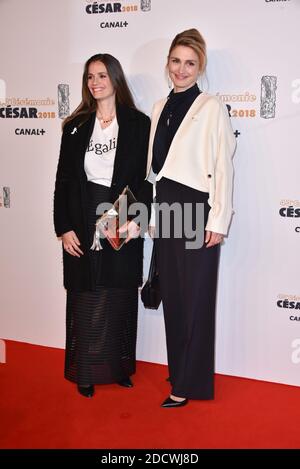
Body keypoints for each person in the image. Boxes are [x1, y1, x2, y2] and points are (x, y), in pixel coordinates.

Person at [146, 29, 236, 407]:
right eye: (176, 61)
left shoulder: (211, 106)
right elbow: (155, 169)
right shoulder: (158, 106)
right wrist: (151, 214)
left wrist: (219, 219)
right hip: (166, 205)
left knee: (197, 297)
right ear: (167, 62)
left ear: (200, 68)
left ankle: (190, 383)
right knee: (175, 296)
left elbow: (222, 164)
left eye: (190, 63)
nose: (181, 70)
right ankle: (179, 369)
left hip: (197, 207)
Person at [54, 53, 151, 398]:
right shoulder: (75, 125)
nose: (95, 82)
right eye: (90, 77)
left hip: (121, 218)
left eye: (102, 76)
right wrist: (64, 228)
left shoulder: (139, 124)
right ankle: (85, 372)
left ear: (115, 79)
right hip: (81, 219)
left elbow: (146, 180)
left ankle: (118, 368)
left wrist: (135, 218)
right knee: (86, 296)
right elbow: (63, 181)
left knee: (119, 295)